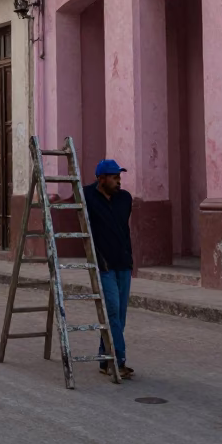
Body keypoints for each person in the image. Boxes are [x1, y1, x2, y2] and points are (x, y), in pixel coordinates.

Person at [84, 159, 134, 380]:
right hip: (104, 265)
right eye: (114, 177)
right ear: (101, 179)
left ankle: (105, 358)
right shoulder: (88, 197)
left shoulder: (125, 199)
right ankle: (118, 360)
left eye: (119, 177)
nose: (118, 181)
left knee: (120, 315)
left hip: (123, 263)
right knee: (112, 311)